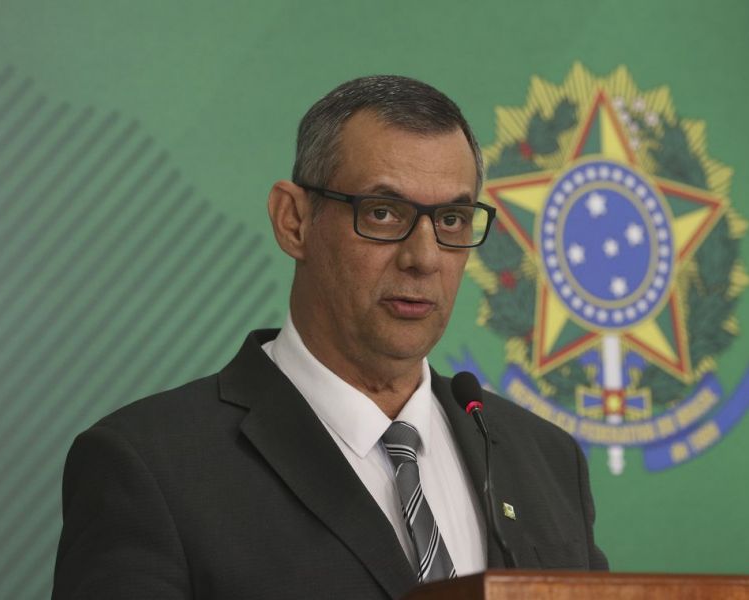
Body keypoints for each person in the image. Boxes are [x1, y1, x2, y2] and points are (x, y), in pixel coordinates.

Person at [52, 75, 608, 600]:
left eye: (452, 220)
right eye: (383, 212)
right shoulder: (151, 467)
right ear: (293, 221)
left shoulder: (547, 458)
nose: (424, 258)